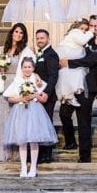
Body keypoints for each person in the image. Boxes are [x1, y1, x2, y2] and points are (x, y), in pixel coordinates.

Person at [0, 23, 34, 162]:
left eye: (21, 33)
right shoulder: (1, 50)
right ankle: (2, 152)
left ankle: (16, 153)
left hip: (17, 88)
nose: (18, 35)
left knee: (17, 121)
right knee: (3, 121)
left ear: (23, 36)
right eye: (16, 31)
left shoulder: (26, 51)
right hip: (3, 86)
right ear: (12, 33)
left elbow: (31, 67)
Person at [59, 14, 97, 162]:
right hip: (70, 85)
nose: (93, 28)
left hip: (87, 86)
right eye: (92, 25)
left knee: (83, 121)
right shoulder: (78, 37)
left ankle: (84, 157)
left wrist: (69, 63)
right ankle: (71, 141)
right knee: (64, 114)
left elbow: (92, 60)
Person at [3, 57, 58, 177]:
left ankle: (33, 167)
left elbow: (43, 98)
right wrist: (22, 98)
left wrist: (35, 95)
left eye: (29, 67)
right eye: (25, 67)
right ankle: (23, 167)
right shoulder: (17, 80)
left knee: (33, 141)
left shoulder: (37, 80)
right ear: (21, 68)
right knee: (22, 141)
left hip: (35, 111)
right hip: (20, 111)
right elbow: (9, 98)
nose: (27, 69)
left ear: (33, 68)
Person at [32, 29, 59, 164]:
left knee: (46, 124)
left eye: (42, 38)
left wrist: (46, 93)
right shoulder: (39, 54)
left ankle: (47, 155)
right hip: (39, 94)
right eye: (37, 38)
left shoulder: (51, 54)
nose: (39, 40)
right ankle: (41, 153)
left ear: (48, 39)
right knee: (40, 124)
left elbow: (54, 76)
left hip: (47, 95)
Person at [55, 19, 92, 107]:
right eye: (82, 28)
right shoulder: (75, 32)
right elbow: (82, 41)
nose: (83, 31)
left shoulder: (79, 35)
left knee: (76, 73)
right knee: (67, 74)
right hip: (69, 53)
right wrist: (90, 32)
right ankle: (68, 95)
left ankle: (70, 94)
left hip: (73, 56)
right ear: (76, 27)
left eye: (85, 30)